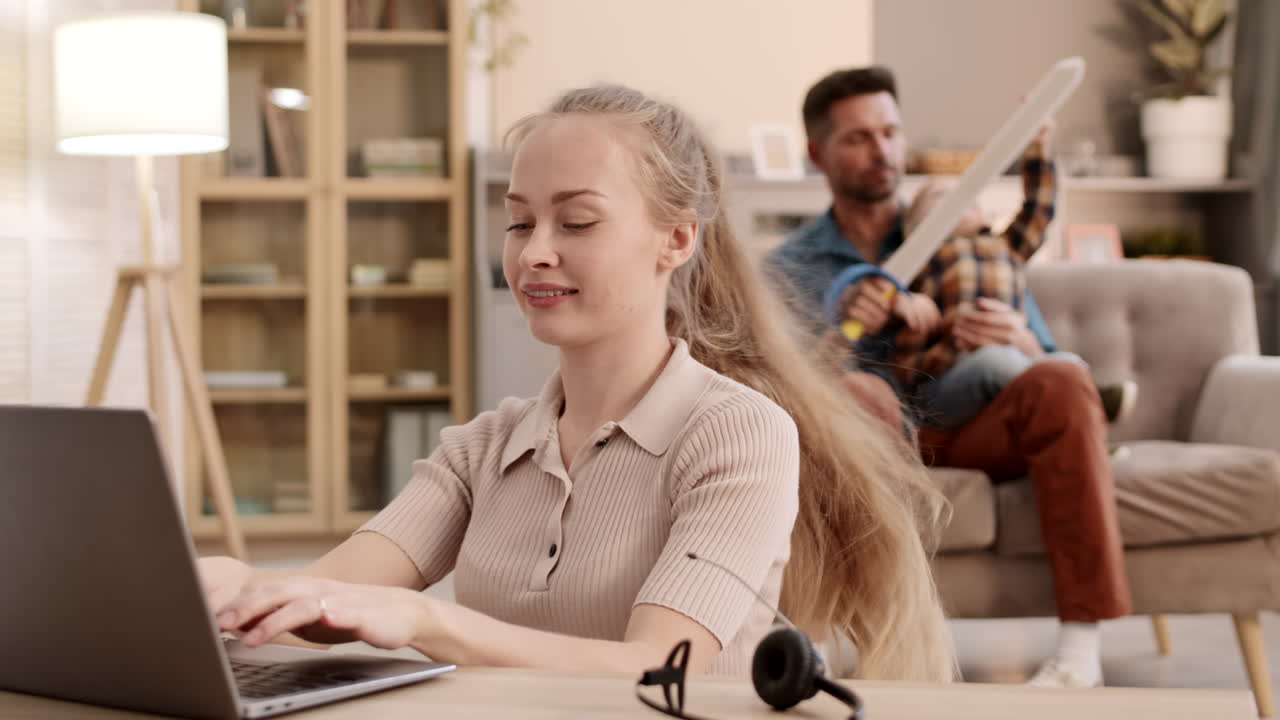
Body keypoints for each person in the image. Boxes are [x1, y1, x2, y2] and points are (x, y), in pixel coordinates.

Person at [201, 84, 955, 681]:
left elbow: (664, 666)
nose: (535, 254)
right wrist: (234, 584)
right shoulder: (483, 449)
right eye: (520, 222)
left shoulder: (740, 432)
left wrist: (431, 622)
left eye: (577, 223)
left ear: (677, 238)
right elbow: (326, 594)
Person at [766, 66, 1132, 688]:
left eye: (890, 132)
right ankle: (824, 642)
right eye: (858, 138)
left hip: (971, 420)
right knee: (860, 391)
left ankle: (1079, 650)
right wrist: (843, 338)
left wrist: (1017, 339)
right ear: (817, 154)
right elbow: (783, 400)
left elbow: (1044, 359)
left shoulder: (970, 239)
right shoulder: (790, 267)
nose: (882, 151)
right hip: (873, 438)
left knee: (1064, 382)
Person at [829, 138, 1138, 431]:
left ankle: (1083, 402)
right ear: (913, 227)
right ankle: (1074, 397)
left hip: (1011, 368)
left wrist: (1038, 148)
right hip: (944, 377)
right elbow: (875, 291)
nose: (954, 204)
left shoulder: (1007, 247)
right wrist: (904, 301)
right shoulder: (920, 259)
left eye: (965, 197)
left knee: (1068, 364)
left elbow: (1039, 209)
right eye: (938, 199)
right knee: (1000, 364)